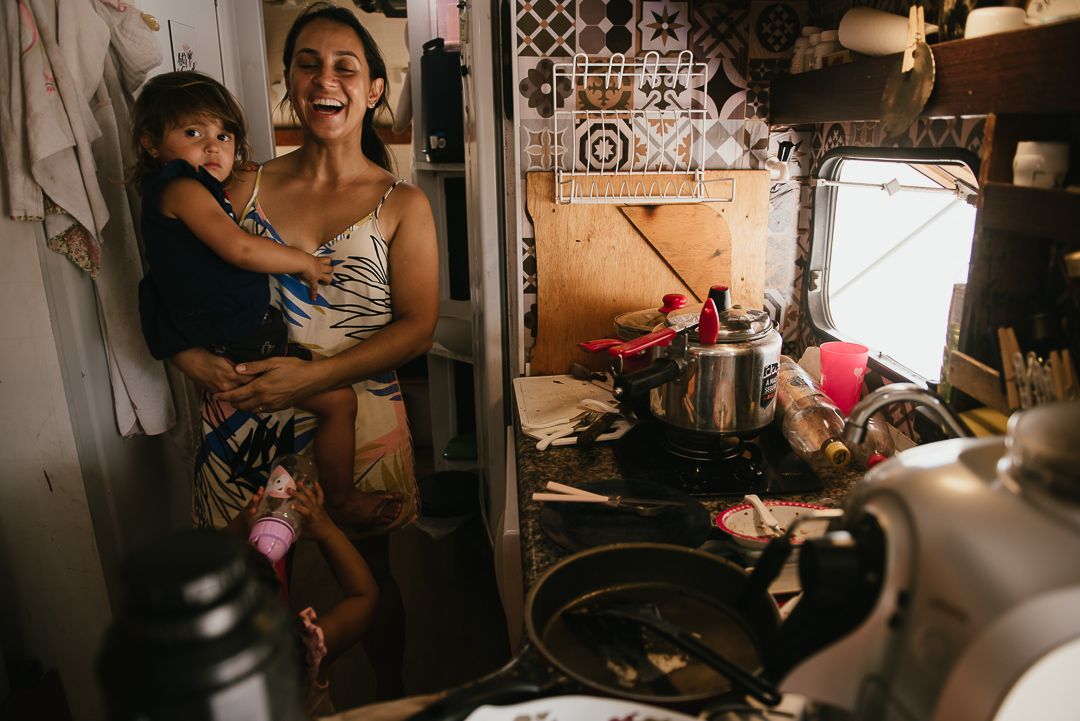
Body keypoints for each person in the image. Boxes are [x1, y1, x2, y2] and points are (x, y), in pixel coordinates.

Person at [170, 2, 439, 699]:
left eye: (346, 66)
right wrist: (185, 357)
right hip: (244, 411)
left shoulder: (402, 203)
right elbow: (173, 283)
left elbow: (418, 328)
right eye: (308, 63)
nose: (326, 79)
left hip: (362, 416)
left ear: (374, 89)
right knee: (244, 578)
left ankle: (389, 696)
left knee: (372, 576)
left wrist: (311, 378)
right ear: (288, 79)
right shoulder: (237, 187)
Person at [132, 71, 367, 526]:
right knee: (337, 402)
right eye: (193, 132)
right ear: (150, 144)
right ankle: (341, 501)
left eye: (224, 134)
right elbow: (238, 248)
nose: (214, 146)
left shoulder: (190, 192)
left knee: (318, 418)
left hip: (236, 338)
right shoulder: (180, 186)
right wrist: (303, 261)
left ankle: (320, 505)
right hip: (237, 346)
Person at [229, 481, 380, 717]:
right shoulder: (302, 652)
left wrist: (237, 528)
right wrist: (327, 531)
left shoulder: (195, 682)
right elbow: (364, 595)